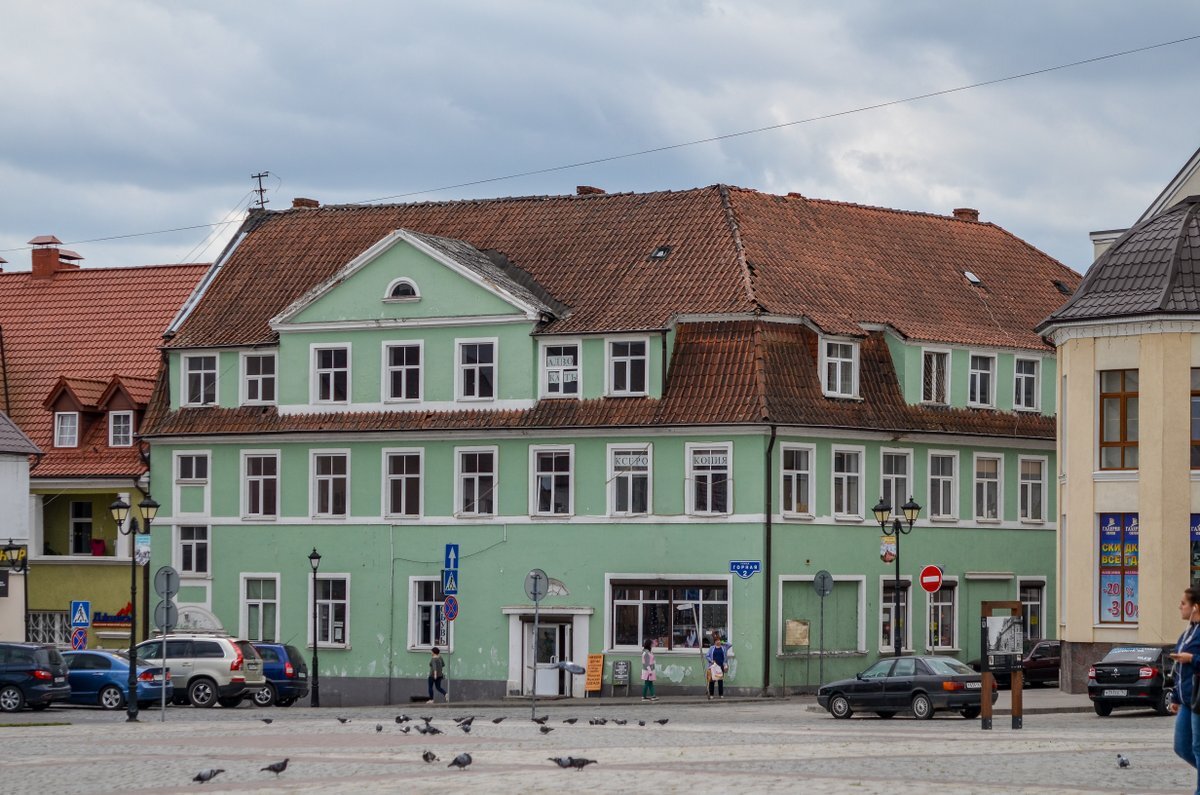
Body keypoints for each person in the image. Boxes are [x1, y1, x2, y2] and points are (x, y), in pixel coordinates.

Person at [1171, 586, 1200, 795]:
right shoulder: (1187, 633)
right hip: (1186, 700)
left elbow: (1192, 662)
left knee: (1198, 748)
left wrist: (1192, 659)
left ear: (1195, 607)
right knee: (1181, 746)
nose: (1179, 606)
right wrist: (1174, 696)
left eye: (1183, 603)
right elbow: (1180, 671)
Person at [706, 632, 731, 699]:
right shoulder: (712, 648)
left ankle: (721, 694)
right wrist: (711, 661)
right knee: (712, 681)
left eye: (719, 640)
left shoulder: (724, 647)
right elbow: (707, 656)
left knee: (720, 681)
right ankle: (711, 695)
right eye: (716, 641)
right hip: (713, 666)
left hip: (721, 666)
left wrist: (723, 642)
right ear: (714, 642)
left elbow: (730, 644)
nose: (718, 642)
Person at [640, 638, 658, 702]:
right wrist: (650, 671)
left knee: (650, 683)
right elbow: (646, 663)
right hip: (648, 671)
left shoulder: (648, 652)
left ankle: (653, 696)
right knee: (647, 683)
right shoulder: (646, 653)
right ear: (649, 644)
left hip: (649, 670)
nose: (652, 645)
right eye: (651, 644)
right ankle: (644, 696)